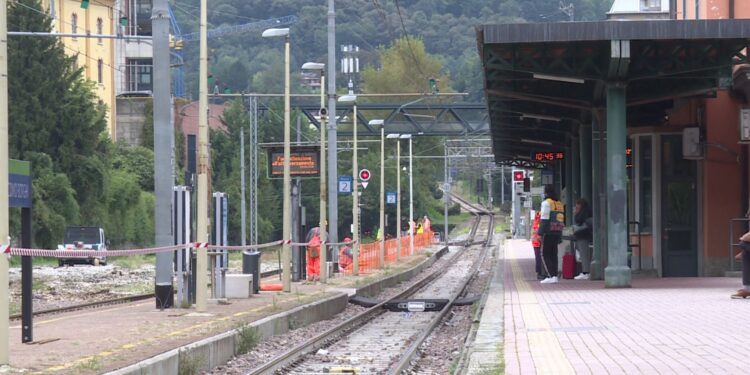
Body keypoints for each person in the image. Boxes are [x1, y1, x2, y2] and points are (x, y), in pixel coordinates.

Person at [538, 184, 565, 284]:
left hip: (548, 232)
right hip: (557, 231)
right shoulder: (559, 204)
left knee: (545, 254)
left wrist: (540, 233)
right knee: (554, 254)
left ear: (545, 192)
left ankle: (551, 275)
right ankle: (554, 275)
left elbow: (544, 219)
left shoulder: (546, 203)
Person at [573, 198, 593, 280]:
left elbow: (580, 225)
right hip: (583, 236)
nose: (576, 209)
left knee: (584, 255)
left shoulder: (584, 216)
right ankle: (585, 271)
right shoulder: (587, 214)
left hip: (583, 236)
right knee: (583, 255)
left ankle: (586, 272)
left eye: (577, 207)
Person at [531, 212, 544, 280]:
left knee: (538, 258)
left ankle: (539, 273)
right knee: (540, 258)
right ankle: (540, 273)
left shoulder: (536, 220)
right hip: (539, 242)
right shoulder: (540, 221)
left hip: (535, 242)